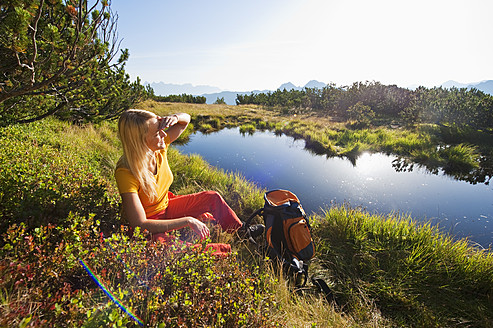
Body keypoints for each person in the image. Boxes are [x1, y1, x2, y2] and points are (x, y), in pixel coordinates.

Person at [114, 109, 263, 241]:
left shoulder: (159, 147)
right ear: (139, 141)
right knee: (170, 251)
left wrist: (175, 117)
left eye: (161, 129)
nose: (164, 134)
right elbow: (139, 224)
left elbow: (184, 122)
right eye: (157, 132)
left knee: (212, 197)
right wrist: (187, 221)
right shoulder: (126, 172)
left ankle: (241, 233)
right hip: (149, 224)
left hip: (167, 206)